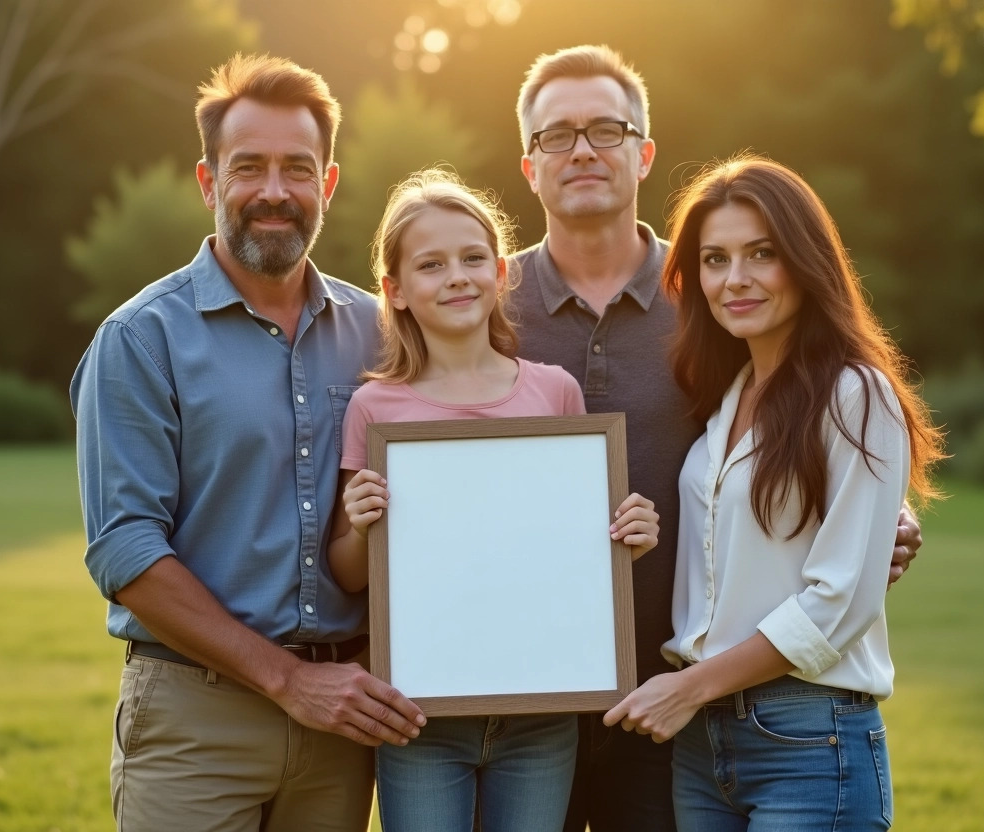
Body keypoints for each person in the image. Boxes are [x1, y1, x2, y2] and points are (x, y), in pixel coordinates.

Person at [509, 45, 926, 832]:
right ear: (528, 164)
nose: (585, 150)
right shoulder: (471, 302)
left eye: (606, 128)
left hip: (687, 717)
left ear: (644, 151)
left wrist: (879, 531)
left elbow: (836, 482)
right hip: (533, 709)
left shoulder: (704, 310)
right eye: (558, 135)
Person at [70, 54, 425, 832]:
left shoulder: (383, 333)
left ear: (327, 185)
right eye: (248, 168)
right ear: (208, 182)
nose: (274, 191)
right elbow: (125, 550)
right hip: (197, 721)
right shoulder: (140, 339)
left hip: (344, 723)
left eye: (298, 169)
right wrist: (287, 681)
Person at [603, 155, 946, 831]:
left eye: (762, 254)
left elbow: (839, 600)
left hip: (808, 737)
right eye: (715, 259)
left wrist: (688, 688)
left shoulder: (856, 395)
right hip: (704, 746)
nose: (735, 280)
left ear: (806, 259)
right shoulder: (725, 399)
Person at [325, 168, 661, 832]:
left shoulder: (554, 392)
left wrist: (629, 533)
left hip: (541, 717)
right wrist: (363, 527)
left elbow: (577, 549)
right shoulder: (374, 406)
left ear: (502, 271)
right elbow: (347, 571)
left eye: (473, 257)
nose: (457, 275)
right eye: (431, 264)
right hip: (418, 715)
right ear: (394, 291)